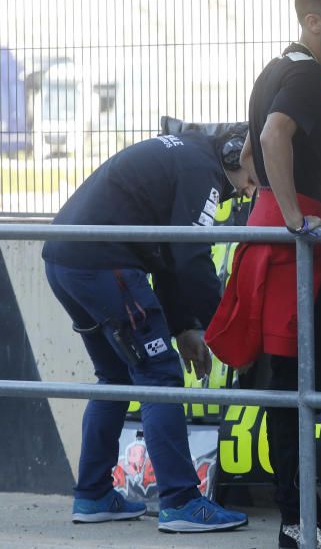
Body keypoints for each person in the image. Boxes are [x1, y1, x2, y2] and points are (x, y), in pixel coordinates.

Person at [41, 130, 256, 533]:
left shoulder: (190, 156)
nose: (250, 190)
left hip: (64, 260)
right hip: (104, 263)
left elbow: (170, 255)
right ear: (234, 154)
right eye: (254, 175)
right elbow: (191, 257)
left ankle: (92, 494)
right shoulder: (205, 171)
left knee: (115, 377)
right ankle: (181, 501)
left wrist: (185, 327)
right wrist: (225, 327)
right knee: (160, 376)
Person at [221, 0, 321, 549]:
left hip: (280, 243)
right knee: (299, 385)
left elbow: (254, 146)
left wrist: (275, 204)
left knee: (290, 385)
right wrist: (292, 216)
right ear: (313, 22)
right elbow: (275, 136)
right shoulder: (306, 75)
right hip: (297, 249)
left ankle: (300, 517)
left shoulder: (276, 66)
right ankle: (297, 519)